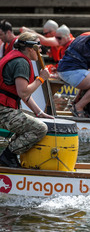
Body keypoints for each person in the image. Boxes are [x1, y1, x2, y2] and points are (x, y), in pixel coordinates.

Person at [0, 32, 53, 168]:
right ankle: (8, 155)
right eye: (39, 47)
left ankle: (10, 155)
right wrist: (41, 79)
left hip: (5, 107)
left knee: (35, 120)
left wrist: (39, 112)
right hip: (3, 110)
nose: (41, 50)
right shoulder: (21, 63)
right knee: (40, 128)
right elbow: (23, 91)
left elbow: (23, 95)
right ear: (31, 48)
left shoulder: (17, 58)